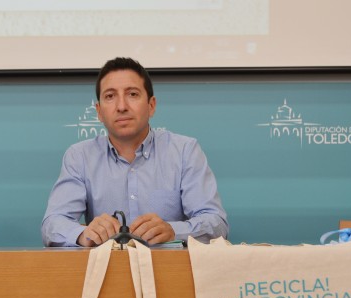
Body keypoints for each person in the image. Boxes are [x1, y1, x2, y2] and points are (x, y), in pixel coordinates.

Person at [41, 57, 227, 247]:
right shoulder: (80, 156)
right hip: (105, 272)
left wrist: (174, 231)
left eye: (132, 94)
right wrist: (82, 234)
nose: (121, 107)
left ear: (151, 105)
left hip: (169, 271)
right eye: (110, 96)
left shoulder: (184, 151)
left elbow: (216, 223)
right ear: (98, 111)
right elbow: (52, 224)